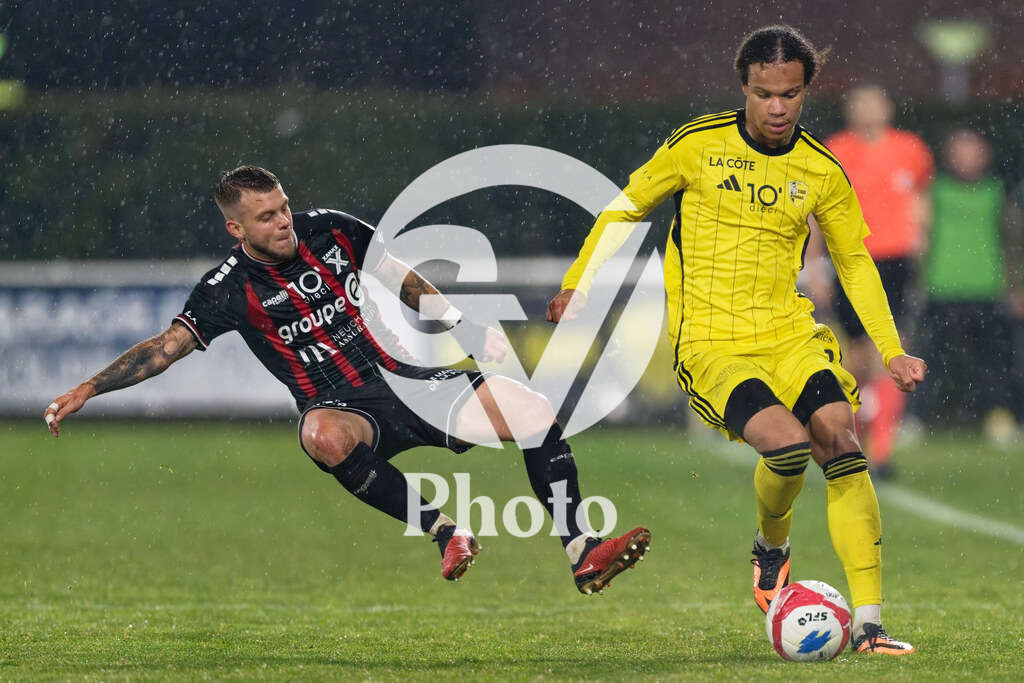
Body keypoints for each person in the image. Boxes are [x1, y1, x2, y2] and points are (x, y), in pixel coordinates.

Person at [44, 165, 651, 596]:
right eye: (266, 217)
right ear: (237, 229)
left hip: (409, 383)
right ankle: (444, 532)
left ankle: (581, 552)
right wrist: (89, 389)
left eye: (283, 207)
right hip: (341, 407)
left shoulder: (330, 229)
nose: (283, 222)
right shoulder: (227, 288)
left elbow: (403, 278)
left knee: (532, 410)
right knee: (321, 436)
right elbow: (165, 348)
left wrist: (463, 328)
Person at [547, 25, 925, 654]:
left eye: (791, 94)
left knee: (840, 439)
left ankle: (869, 624)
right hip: (713, 343)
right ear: (744, 87)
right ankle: (771, 545)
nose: (778, 107)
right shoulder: (698, 145)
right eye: (764, 93)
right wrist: (577, 282)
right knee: (786, 448)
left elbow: (855, 261)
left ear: (806, 91)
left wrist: (890, 349)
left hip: (790, 333)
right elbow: (626, 206)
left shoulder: (820, 169)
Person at [810, 84, 934, 478]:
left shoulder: (911, 149)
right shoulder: (835, 150)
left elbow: (920, 200)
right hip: (850, 258)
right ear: (849, 111)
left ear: (888, 108)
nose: (867, 111)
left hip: (895, 260)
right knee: (857, 358)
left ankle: (882, 454)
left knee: (893, 353)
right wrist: (814, 266)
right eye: (859, 104)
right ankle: (854, 443)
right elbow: (815, 212)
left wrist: (922, 246)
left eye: (873, 104)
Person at [919, 128, 1023, 433]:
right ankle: (914, 419)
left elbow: (1011, 242)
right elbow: (921, 239)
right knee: (928, 359)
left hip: (986, 287)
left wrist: (1014, 286)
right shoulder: (934, 190)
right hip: (942, 286)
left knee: (992, 360)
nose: (965, 158)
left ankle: (1002, 417)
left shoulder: (996, 192)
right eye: (959, 151)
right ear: (948, 156)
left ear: (984, 155)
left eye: (972, 151)